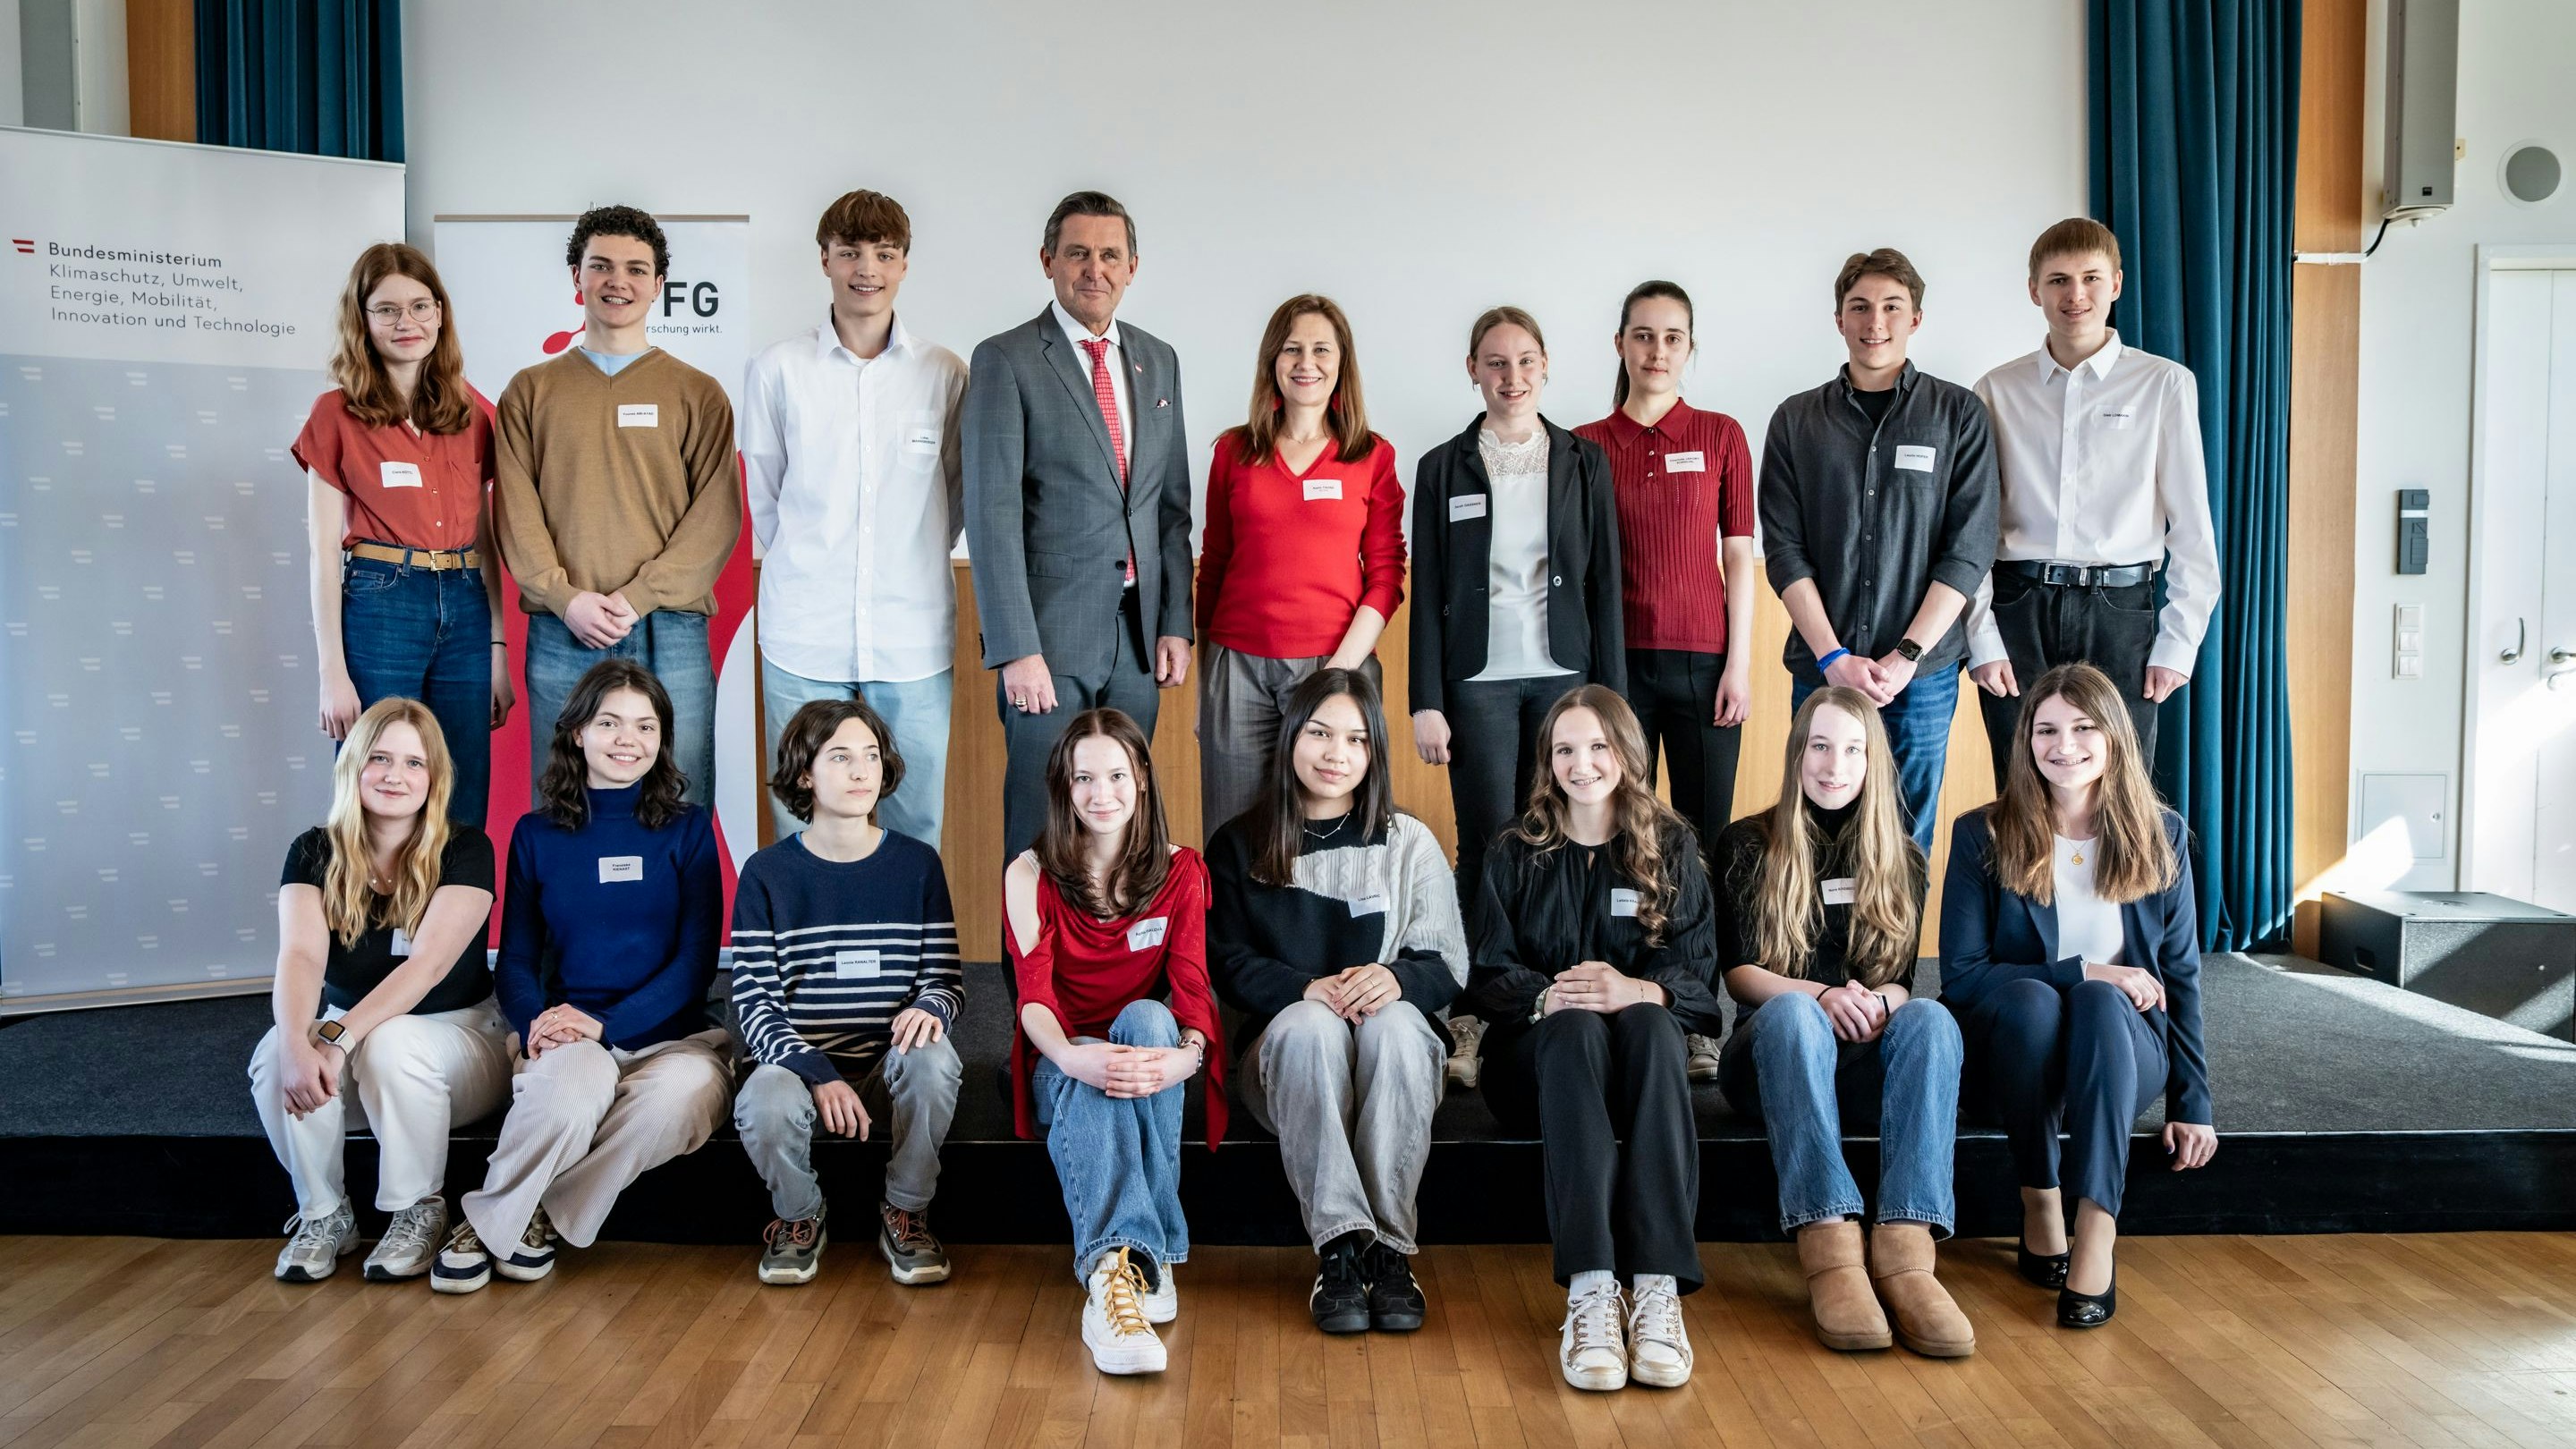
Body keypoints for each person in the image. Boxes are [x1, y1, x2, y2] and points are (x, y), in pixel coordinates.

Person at [436, 659, 731, 1292]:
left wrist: (608, 1024)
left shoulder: (690, 828)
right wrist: (536, 1024)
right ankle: (513, 1218)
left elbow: (696, 962)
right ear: (576, 732)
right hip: (569, 1030)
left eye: (646, 726)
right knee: (567, 1096)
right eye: (610, 722)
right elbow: (513, 957)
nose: (630, 740)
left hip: (673, 1037)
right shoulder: (536, 834)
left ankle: (513, 1218)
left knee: (676, 1103)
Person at [1939, 662, 2216, 1330]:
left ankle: (2096, 1225)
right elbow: (1964, 978)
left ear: (2115, 736)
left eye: (2084, 727)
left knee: (2099, 1004)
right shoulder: (1984, 833)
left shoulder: (2161, 834)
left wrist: (2193, 1102)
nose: (2064, 746)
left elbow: (2179, 975)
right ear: (2025, 741)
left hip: (2120, 1046)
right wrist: (2087, 969)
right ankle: (2040, 1196)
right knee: (2041, 998)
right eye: (2047, 730)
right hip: (2016, 1046)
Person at [1462, 685, 1719, 1393]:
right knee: (1575, 1022)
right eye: (1566, 749)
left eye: (1599, 746)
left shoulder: (1670, 845)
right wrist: (1550, 996)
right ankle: (1593, 1290)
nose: (1582, 764)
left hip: (1640, 1070)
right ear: (1548, 760)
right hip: (1536, 1069)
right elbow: (1485, 973)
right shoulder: (1516, 849)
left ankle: (1658, 1288)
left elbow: (1699, 983)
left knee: (1651, 1023)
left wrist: (1637, 991)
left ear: (1628, 752)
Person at [1712, 689, 1972, 1358]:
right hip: (1772, 1058)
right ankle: (1829, 1247)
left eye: (1853, 749)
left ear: (1873, 761)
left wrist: (1877, 1004)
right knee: (1797, 1013)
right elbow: (1739, 974)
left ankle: (1907, 1252)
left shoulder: (1904, 858)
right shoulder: (1746, 842)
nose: (1835, 765)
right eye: (1821, 746)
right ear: (1798, 753)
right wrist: (1822, 996)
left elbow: (1900, 981)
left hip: (1860, 1055)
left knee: (1931, 1020)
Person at [1207, 669, 1463, 1335]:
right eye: (1319, 733)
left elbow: (1448, 961)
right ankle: (1340, 1249)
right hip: (1288, 1065)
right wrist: (1303, 989)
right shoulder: (1240, 844)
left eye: (1355, 739)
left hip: (1391, 1061)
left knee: (1399, 1027)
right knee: (1313, 1026)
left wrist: (1400, 979)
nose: (1335, 753)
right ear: (1292, 736)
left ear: (1374, 752)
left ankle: (1388, 1252)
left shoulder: (1408, 841)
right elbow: (1225, 960)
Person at [964, 191, 1194, 861]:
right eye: (1078, 253)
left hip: (1138, 634)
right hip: (1047, 640)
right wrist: (1015, 648)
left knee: (1123, 825)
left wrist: (1175, 620)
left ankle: (1115, 966)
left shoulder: (1160, 359)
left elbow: (1170, 506)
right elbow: (991, 512)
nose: (1095, 269)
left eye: (1110, 255)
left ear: (1132, 267)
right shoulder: (1005, 359)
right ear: (1048, 262)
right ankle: (1028, 970)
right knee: (1042, 823)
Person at [250, 699, 513, 1283]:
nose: (395, 775)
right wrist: (298, 1040)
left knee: (393, 1042)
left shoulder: (466, 848)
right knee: (273, 1055)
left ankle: (418, 1208)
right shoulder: (314, 851)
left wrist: (337, 1039)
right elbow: (299, 955)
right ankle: (324, 1213)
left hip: (459, 1036)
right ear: (353, 767)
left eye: (414, 763)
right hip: (355, 1035)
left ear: (435, 778)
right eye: (380, 758)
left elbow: (427, 966)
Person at [492, 205, 741, 808]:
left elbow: (715, 519)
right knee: (563, 803)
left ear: (659, 285)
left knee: (677, 801)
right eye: (600, 266)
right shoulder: (530, 391)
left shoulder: (698, 393)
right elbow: (515, 513)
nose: (617, 281)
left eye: (636, 269)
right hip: (563, 626)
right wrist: (563, 596)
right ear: (576, 276)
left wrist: (638, 597)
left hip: (670, 626)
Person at [741, 189, 968, 848]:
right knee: (800, 815)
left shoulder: (943, 373)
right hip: (803, 633)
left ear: (903, 265)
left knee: (916, 816)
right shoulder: (779, 370)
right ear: (825, 261)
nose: (866, 268)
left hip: (912, 633)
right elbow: (764, 496)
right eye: (850, 253)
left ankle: (906, 951)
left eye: (884, 253)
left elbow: (953, 498)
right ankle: (807, 951)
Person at [1573, 280, 1756, 1084]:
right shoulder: (1584, 444)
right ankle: (1625, 997)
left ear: (1689, 348)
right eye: (1642, 336)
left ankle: (1698, 1014)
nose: (1656, 351)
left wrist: (1741, 662)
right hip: (1617, 672)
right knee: (1621, 841)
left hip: (1707, 666)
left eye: (1672, 337)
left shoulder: (1721, 436)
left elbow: (1741, 559)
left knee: (1706, 844)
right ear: (1620, 345)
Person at [1004, 708, 1224, 1376]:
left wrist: (1185, 1058)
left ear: (1144, 780)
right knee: (1093, 1082)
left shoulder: (1183, 871)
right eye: (1084, 778)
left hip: (1141, 1051)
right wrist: (1073, 1054)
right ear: (1063, 788)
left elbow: (1190, 986)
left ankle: (1135, 1264)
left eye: (1117, 775)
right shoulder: (1030, 874)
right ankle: (1119, 1275)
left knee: (1150, 1022)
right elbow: (1033, 998)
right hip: (1058, 1059)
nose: (1102, 794)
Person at [1965, 217, 2220, 785]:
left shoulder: (2164, 384)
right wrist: (1980, 637)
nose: (2074, 295)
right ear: (2034, 290)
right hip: (2018, 605)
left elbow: (2192, 528)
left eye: (2090, 278)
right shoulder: (1995, 390)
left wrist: (2178, 644)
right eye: (2057, 280)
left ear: (2117, 284)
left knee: (2118, 792)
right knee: (2021, 784)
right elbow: (1973, 529)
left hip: (2122, 611)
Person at [1759, 248, 1999, 850]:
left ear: (1915, 318)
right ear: (1838, 318)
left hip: (1921, 677)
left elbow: (1968, 548)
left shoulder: (1958, 414)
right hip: (1822, 668)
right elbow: (1785, 551)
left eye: (1892, 307)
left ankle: (1890, 951)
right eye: (1859, 307)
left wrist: (1907, 654)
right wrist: (1832, 656)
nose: (1875, 322)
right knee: (1816, 829)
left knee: (1905, 833)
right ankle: (1822, 949)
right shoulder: (1795, 421)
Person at [729, 698, 963, 1287]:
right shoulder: (766, 873)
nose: (861, 772)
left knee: (936, 1059)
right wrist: (818, 1073)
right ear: (804, 773)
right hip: (805, 1072)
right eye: (840, 757)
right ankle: (799, 1218)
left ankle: (905, 1209)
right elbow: (755, 1004)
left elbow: (946, 982)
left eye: (871, 756)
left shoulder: (917, 865)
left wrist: (928, 1007)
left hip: (889, 1070)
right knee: (764, 1099)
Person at [1409, 306, 1624, 919]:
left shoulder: (1584, 463)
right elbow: (1426, 594)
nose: (1512, 376)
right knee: (1485, 840)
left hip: (1565, 679)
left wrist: (1613, 701)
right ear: (1472, 369)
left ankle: (1549, 982)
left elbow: (1605, 585)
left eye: (1526, 361)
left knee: (1560, 837)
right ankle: (1479, 989)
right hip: (1477, 683)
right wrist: (1426, 702)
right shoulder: (1442, 469)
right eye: (1497, 363)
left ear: (1545, 366)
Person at [295, 242, 513, 827]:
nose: (406, 322)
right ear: (361, 320)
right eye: (387, 309)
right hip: (381, 604)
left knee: (461, 796)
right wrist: (332, 674)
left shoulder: (473, 413)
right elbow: (321, 554)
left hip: (466, 607)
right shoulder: (334, 414)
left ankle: (449, 923)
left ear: (440, 314)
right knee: (375, 794)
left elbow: (486, 541)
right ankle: (362, 922)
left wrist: (497, 651)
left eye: (420, 306)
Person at [1193, 294, 1405, 836]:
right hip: (1237, 669)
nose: (1305, 362)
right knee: (1233, 833)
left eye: (1320, 349)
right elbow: (1214, 563)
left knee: (1333, 832)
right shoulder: (1233, 452)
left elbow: (1385, 576)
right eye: (1291, 349)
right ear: (1272, 360)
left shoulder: (1371, 456)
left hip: (1336, 666)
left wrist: (1340, 673)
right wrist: (1205, 688)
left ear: (1341, 363)